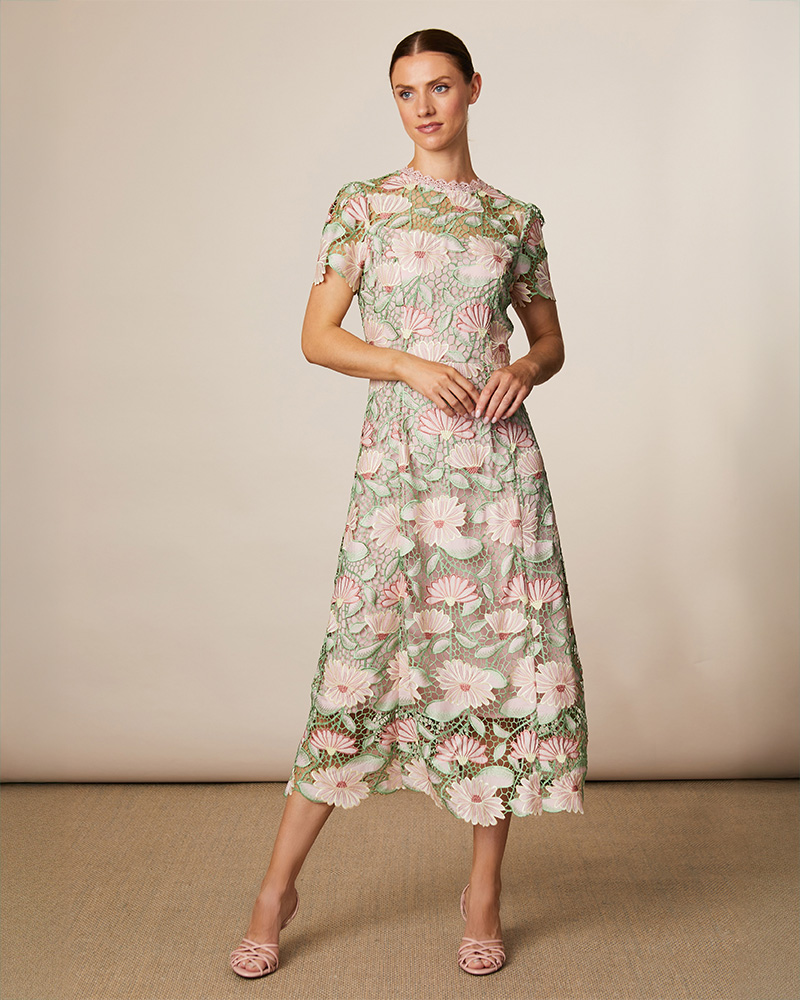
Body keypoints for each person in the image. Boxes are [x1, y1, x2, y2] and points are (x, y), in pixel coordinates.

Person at [229, 27, 588, 980]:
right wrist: (404, 363)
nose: (423, 106)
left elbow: (551, 344)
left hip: (497, 475)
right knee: (359, 659)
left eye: (439, 87)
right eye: (404, 92)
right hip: (401, 473)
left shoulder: (515, 219)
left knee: (496, 672)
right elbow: (317, 336)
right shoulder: (367, 207)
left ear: (474, 89)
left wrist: (519, 366)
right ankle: (275, 891)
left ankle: (483, 895)